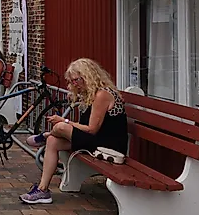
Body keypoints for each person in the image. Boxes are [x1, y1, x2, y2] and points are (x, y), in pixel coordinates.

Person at [20, 58, 128, 205]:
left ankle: (46, 135)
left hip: (108, 144)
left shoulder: (102, 94)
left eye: (76, 80)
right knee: (53, 141)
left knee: (60, 127)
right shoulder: (90, 94)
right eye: (72, 81)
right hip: (94, 140)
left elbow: (91, 129)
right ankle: (42, 190)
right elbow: (85, 127)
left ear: (88, 76)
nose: (74, 84)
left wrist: (65, 121)